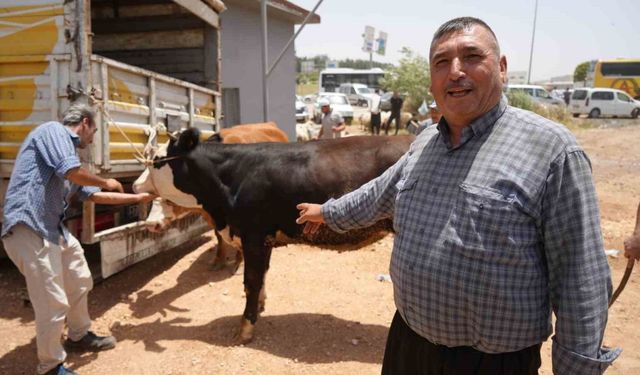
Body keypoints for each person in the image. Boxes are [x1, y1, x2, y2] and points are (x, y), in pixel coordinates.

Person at [297, 17, 620, 375]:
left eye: (471, 57)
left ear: (501, 67)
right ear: (432, 80)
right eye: (441, 62)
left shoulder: (552, 151)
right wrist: (327, 212)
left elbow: (581, 279)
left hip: (492, 364)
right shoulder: (424, 144)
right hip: (409, 346)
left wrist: (577, 369)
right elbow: (379, 193)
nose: (455, 72)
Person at [1, 104, 156, 375]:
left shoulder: (71, 160)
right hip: (29, 228)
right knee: (52, 300)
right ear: (84, 123)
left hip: (53, 230)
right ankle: (50, 366)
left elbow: (93, 195)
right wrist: (107, 181)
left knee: (80, 278)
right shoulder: (53, 132)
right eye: (94, 132)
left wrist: (140, 198)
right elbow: (75, 174)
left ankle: (78, 335)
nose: (93, 139)